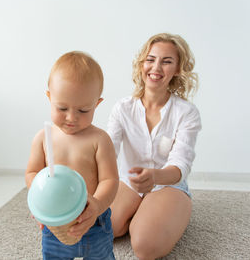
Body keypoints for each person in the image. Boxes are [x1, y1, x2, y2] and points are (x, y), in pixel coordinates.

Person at [107, 33, 202, 260]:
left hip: (168, 185)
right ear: (142, 64)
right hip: (128, 183)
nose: (156, 67)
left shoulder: (187, 113)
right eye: (151, 59)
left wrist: (154, 177)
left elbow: (180, 165)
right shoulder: (122, 109)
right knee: (107, 228)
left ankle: (163, 213)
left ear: (178, 69)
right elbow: (108, 150)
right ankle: (141, 211)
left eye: (166, 61)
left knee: (144, 246)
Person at [25, 51, 119, 259]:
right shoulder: (43, 138)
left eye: (84, 110)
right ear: (49, 97)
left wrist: (97, 205)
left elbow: (110, 180)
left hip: (94, 222)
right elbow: (32, 172)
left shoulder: (99, 140)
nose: (71, 118)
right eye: (62, 108)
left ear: (97, 104)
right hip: (55, 222)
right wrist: (39, 197)